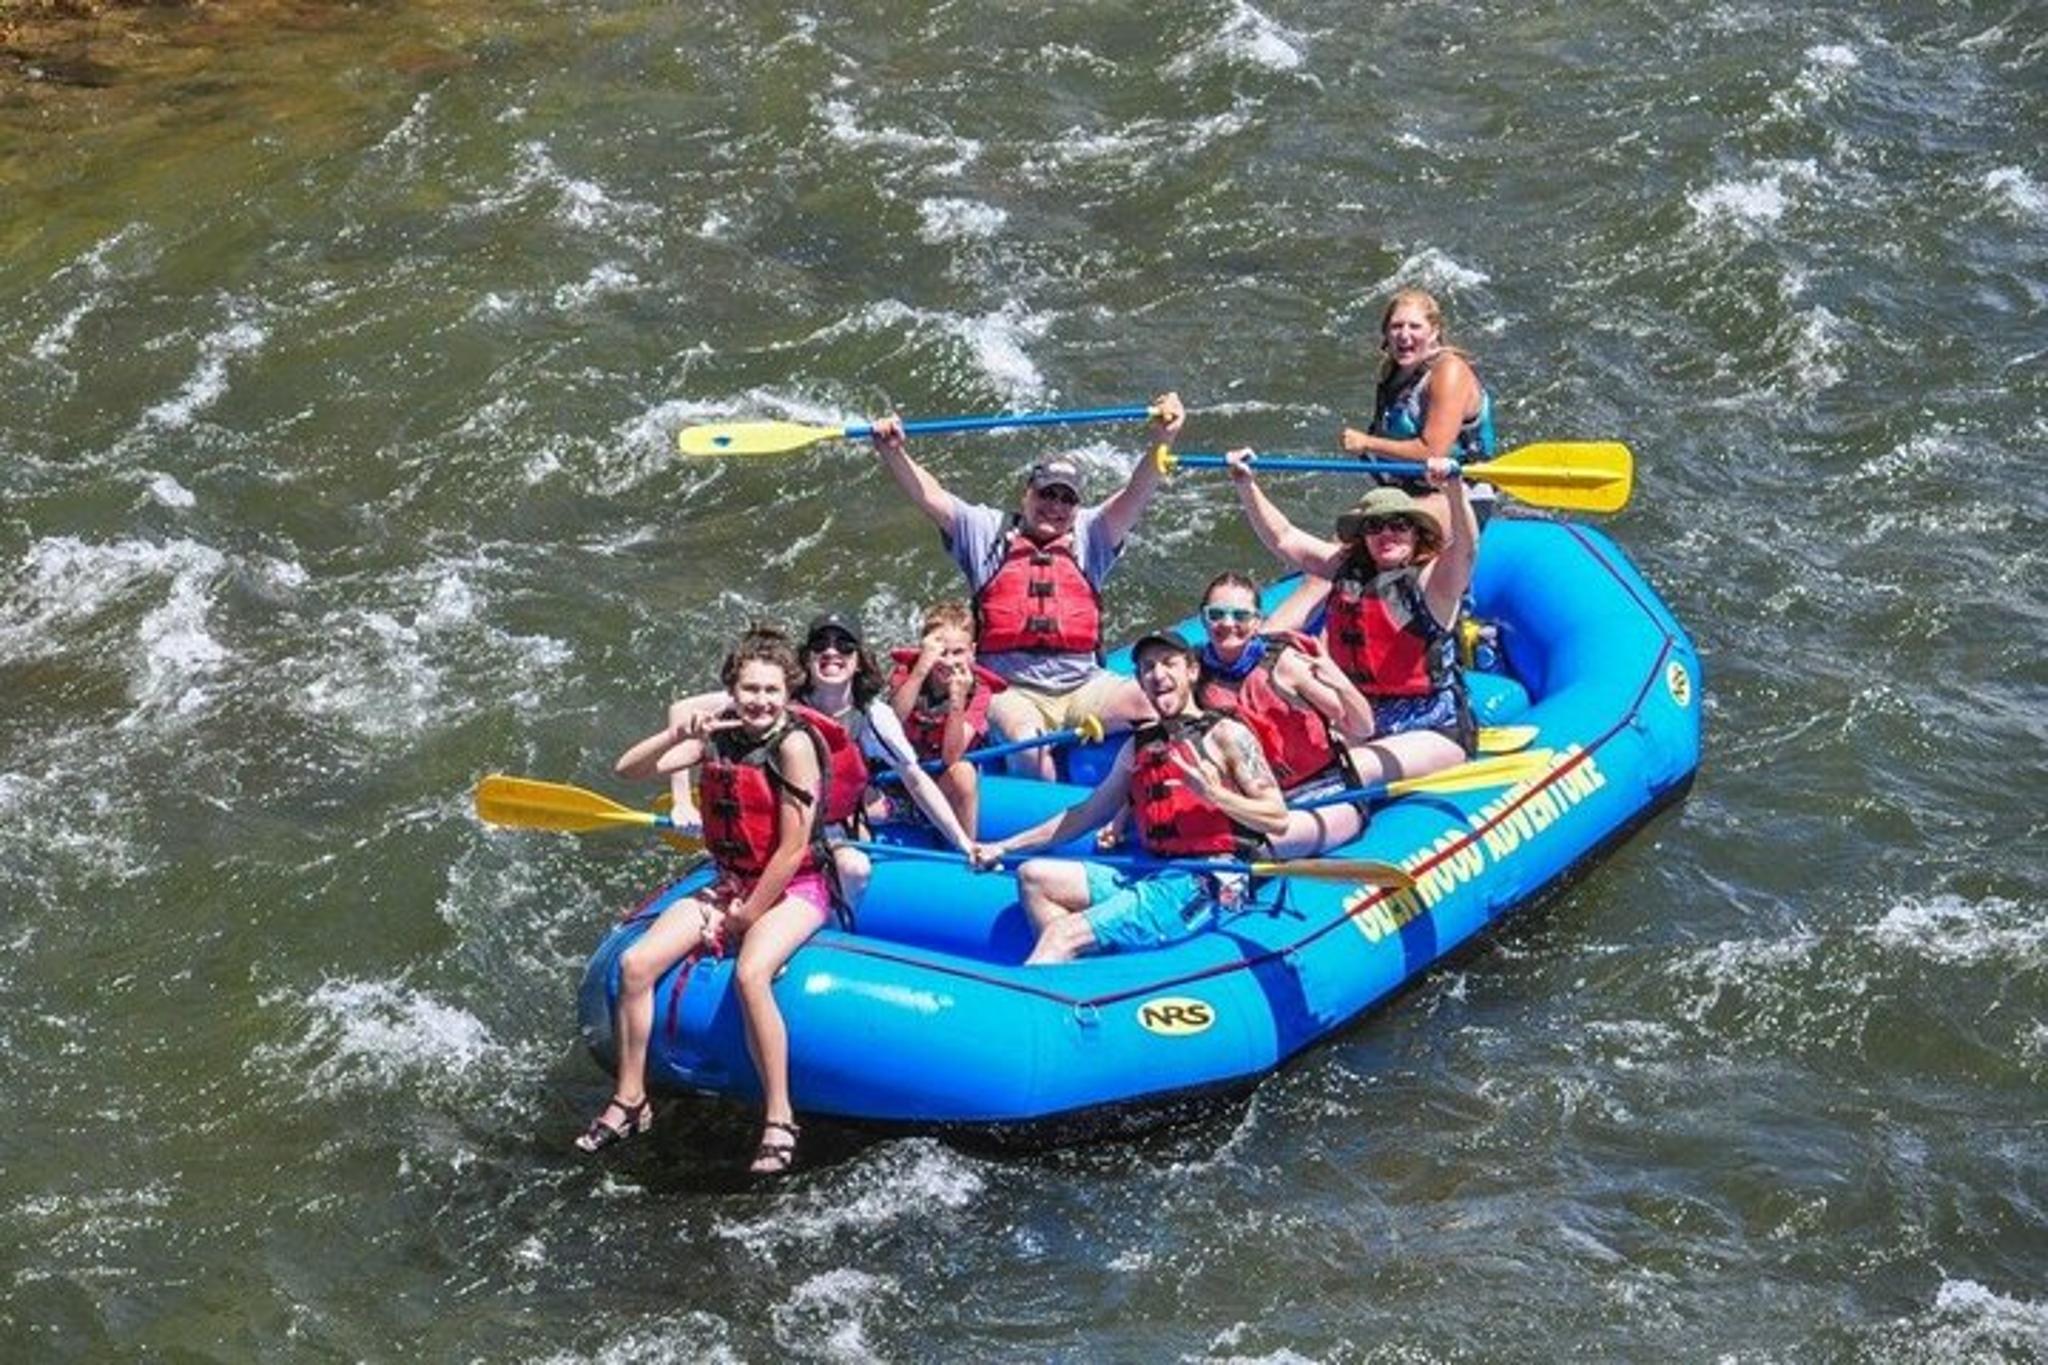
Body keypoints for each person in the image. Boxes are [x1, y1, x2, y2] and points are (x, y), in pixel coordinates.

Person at [580, 631, 831, 1172]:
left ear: (787, 692)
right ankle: (630, 1098)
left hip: (794, 888)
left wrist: (747, 915)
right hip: (729, 879)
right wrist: (676, 734)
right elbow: (628, 770)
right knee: (636, 963)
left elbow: (791, 849)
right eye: (749, 689)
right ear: (731, 691)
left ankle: (780, 1116)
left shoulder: (794, 745)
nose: (760, 700)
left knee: (751, 974)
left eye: (770, 689)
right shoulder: (718, 736)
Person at [867, 392, 1187, 779]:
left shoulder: (1094, 534)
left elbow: (1138, 490)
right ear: (1027, 494)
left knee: (1158, 706)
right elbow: (930, 496)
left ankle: (1168, 790)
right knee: (1028, 747)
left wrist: (1163, 439)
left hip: (1084, 684)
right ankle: (1051, 831)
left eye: (1066, 499)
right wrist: (893, 451)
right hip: (1011, 690)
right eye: (1046, 493)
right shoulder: (986, 531)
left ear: (1077, 507)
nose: (1055, 505)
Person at [968, 630, 1289, 965]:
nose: (1158, 675)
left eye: (1169, 663)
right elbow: (1086, 814)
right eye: (1147, 668)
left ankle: (1047, 992)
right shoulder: (1138, 746)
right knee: (1035, 877)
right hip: (1156, 872)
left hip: (1211, 881)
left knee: (1061, 935)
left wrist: (1216, 795)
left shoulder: (1226, 735)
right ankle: (1076, 980)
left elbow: (1278, 819)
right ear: (1139, 680)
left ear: (1191, 671)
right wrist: (1003, 847)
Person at [617, 617, 976, 909]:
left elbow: (914, 778)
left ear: (858, 660)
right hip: (774, 819)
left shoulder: (871, 714)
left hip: (831, 825)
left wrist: (962, 841)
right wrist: (682, 800)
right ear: (806, 659)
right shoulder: (771, 697)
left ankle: (837, 927)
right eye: (821, 645)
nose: (832, 653)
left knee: (854, 864)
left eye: (844, 646)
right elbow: (682, 713)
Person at [1225, 449, 1479, 790]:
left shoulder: (1434, 583)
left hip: (1432, 726)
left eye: (1398, 525)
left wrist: (1453, 486)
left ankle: (1282, 829)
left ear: (1416, 533)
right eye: (1375, 527)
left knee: (1348, 767)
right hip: (1359, 716)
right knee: (1287, 759)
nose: (1386, 534)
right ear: (1364, 537)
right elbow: (1284, 538)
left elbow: (1466, 548)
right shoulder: (1348, 572)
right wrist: (1245, 484)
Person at [1193, 571, 1377, 855]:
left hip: (1323, 792)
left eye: (1240, 616)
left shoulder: (1287, 664)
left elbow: (1362, 727)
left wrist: (1339, 681)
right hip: (1254, 804)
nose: (1228, 624)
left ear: (1257, 622)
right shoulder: (1194, 674)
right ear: (1204, 619)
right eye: (1216, 614)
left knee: (1248, 850)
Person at [1339, 287, 1498, 533]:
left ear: (1433, 332)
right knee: (1343, 539)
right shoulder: (1394, 373)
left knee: (1370, 540)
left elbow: (1433, 450)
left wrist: (1366, 443)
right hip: (1407, 494)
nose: (1404, 335)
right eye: (1396, 326)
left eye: (1415, 327)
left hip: (1458, 496)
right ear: (1386, 333)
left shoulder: (1449, 372)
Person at [887, 600, 1001, 839]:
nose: (948, 661)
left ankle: (966, 849)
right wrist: (920, 670)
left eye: (958, 652)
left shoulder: (979, 692)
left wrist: (957, 697)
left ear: (972, 651)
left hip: (942, 773)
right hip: (904, 773)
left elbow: (951, 757)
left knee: (964, 772)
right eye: (940, 652)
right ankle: (912, 812)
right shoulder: (907, 674)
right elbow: (891, 725)